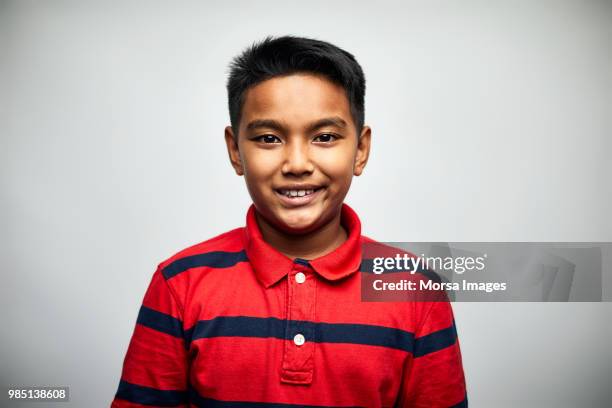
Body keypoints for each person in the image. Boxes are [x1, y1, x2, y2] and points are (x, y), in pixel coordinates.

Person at [111, 35, 467, 407]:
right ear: (235, 151)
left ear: (360, 150)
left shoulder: (415, 290)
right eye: (269, 138)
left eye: (325, 137)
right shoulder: (179, 285)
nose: (297, 164)